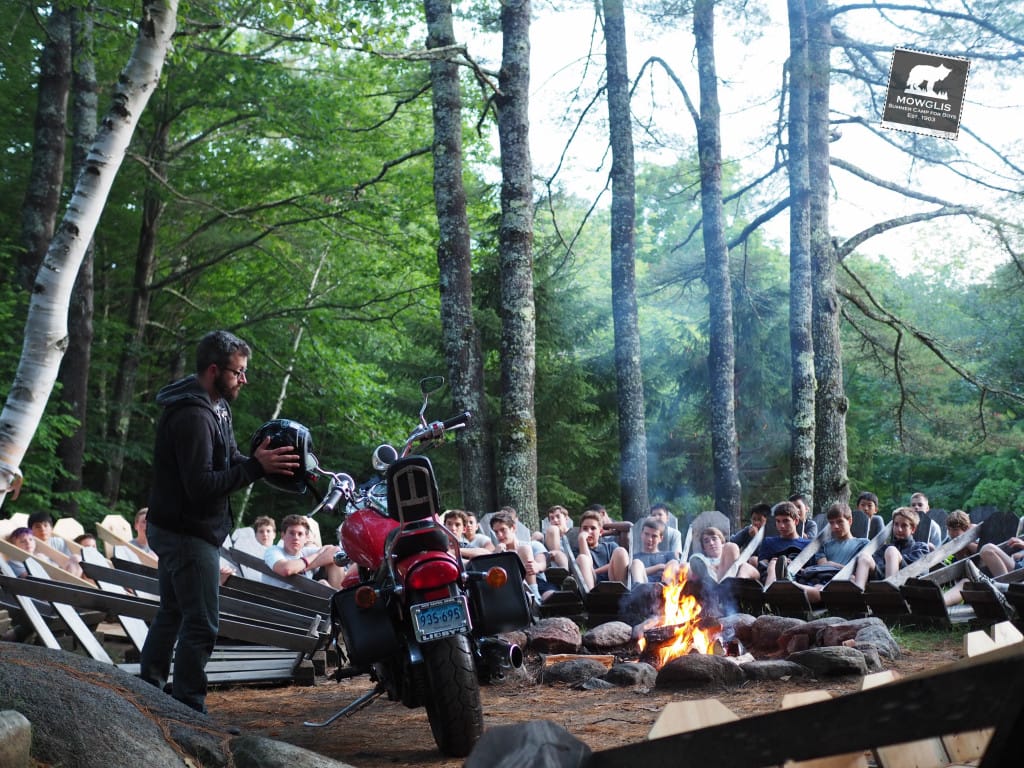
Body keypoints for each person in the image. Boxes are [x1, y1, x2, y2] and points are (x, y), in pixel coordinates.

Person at [139, 329, 300, 714]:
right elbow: (200, 486)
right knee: (202, 623)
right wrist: (255, 469)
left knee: (173, 612)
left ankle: (147, 693)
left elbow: (228, 460)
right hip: (185, 533)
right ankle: (188, 709)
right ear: (214, 370)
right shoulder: (193, 416)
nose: (244, 379)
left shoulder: (217, 406)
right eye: (238, 372)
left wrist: (260, 463)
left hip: (184, 529)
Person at [767, 502, 869, 602]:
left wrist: (832, 564)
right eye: (832, 523)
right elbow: (822, 566)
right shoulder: (824, 545)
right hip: (825, 578)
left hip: (845, 580)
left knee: (821, 589)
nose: (835, 526)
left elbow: (859, 569)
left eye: (840, 522)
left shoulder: (863, 543)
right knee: (819, 587)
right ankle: (788, 585)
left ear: (850, 521)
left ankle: (789, 585)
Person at [853, 506, 931, 589]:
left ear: (913, 529)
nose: (899, 529)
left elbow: (919, 569)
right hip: (881, 580)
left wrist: (894, 558)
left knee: (891, 551)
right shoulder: (884, 549)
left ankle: (890, 591)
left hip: (907, 583)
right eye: (896, 524)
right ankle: (859, 591)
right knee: (864, 557)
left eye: (904, 525)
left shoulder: (920, 547)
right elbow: (877, 565)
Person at [264, 514, 343, 587]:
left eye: (300, 534)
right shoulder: (273, 551)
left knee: (336, 560)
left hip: (306, 595)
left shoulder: (305, 552)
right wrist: (316, 554)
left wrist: (304, 568)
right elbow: (286, 569)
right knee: (323, 583)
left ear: (306, 538)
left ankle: (337, 596)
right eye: (291, 533)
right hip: (279, 596)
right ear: (283, 535)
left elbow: (336, 551)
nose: (296, 537)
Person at [489, 509, 551, 599]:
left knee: (550, 596)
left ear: (513, 528)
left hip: (538, 584)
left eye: (503, 530)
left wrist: (537, 566)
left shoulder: (532, 544)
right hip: (510, 587)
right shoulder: (497, 552)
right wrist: (496, 556)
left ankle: (535, 595)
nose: (500, 535)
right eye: (496, 532)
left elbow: (542, 562)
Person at [752, 501, 811, 582]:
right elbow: (762, 566)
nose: (781, 526)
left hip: (797, 580)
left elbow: (810, 572)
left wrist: (791, 565)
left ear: (796, 521)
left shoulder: (808, 545)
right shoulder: (768, 542)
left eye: (786, 521)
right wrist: (775, 563)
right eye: (778, 521)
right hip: (769, 576)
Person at [575, 508, 629, 590]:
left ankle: (623, 593)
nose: (588, 531)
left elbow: (620, 563)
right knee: (582, 558)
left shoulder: (610, 547)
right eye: (585, 528)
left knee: (621, 551)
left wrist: (595, 571)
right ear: (580, 531)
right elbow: (588, 564)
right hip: (591, 587)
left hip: (613, 583)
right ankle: (590, 596)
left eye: (593, 528)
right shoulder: (576, 551)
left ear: (600, 532)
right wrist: (582, 540)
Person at [688, 526, 760, 584]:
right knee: (693, 561)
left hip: (735, 577)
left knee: (744, 564)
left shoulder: (729, 551)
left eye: (714, 539)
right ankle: (725, 585)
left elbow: (755, 573)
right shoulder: (702, 559)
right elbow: (692, 564)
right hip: (714, 582)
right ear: (704, 548)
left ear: (722, 543)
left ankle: (735, 583)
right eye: (706, 541)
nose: (711, 543)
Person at [629, 517, 678, 584]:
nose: (649, 539)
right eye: (646, 534)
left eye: (654, 536)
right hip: (643, 586)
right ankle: (639, 587)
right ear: (641, 534)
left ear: (661, 538)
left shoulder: (669, 555)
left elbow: (677, 570)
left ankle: (666, 585)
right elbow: (632, 574)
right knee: (636, 563)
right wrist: (659, 567)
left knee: (673, 562)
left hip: (664, 586)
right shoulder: (634, 557)